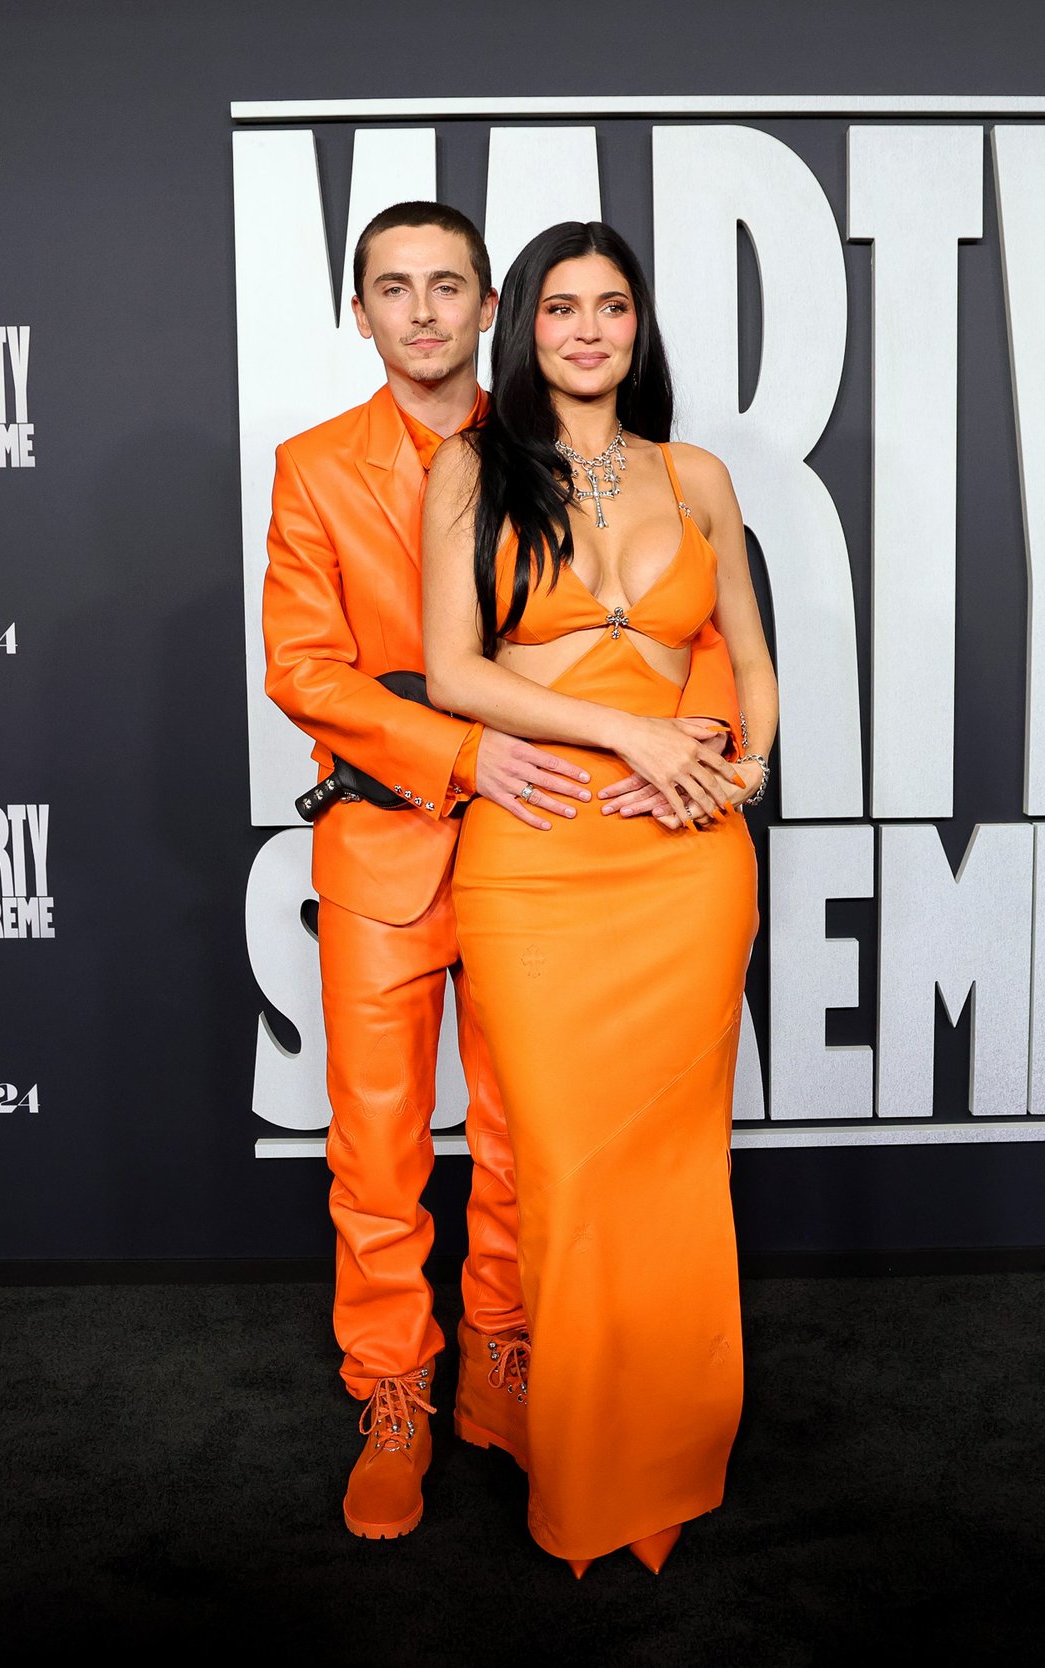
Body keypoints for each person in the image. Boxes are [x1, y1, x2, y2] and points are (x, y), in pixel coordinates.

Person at [260, 203, 741, 1541]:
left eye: (448, 286)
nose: (420, 311)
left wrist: (705, 721)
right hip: (391, 844)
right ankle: (395, 1395)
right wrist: (468, 749)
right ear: (358, 310)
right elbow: (303, 670)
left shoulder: (558, 449)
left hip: (573, 847)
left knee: (538, 1150)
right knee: (379, 1151)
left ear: (493, 308)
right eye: (391, 288)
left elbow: (663, 615)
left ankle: (505, 1364)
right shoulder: (315, 468)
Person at [421, 220, 777, 1576]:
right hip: (542, 853)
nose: (585, 330)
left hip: (685, 867)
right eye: (561, 307)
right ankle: (580, 1462)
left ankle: (670, 1452)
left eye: (611, 306)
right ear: (527, 327)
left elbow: (749, 657)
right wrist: (632, 738)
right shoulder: (471, 471)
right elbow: (453, 671)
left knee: (676, 1167)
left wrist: (733, 772)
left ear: (640, 327)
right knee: (568, 1168)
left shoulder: (696, 476)